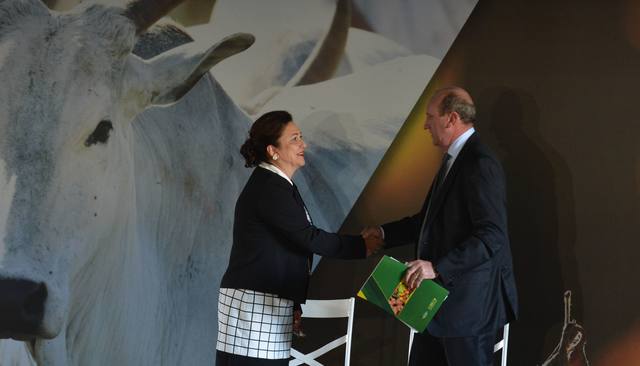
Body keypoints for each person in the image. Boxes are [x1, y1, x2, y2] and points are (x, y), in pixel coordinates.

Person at [362, 87, 518, 366]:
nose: (425, 124)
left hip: (468, 310)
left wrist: (437, 267)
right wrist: (384, 233)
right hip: (439, 307)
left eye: (430, 117)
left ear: (451, 118)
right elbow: (428, 222)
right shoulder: (455, 160)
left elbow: (492, 235)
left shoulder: (479, 163)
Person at [216, 110, 380, 366]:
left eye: (301, 137)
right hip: (254, 305)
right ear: (273, 150)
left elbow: (287, 247)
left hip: (266, 301)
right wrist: (360, 245)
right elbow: (307, 238)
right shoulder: (270, 187)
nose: (303, 144)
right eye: (294, 138)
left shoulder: (277, 183)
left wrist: (293, 302)